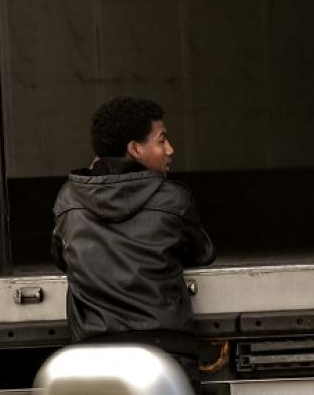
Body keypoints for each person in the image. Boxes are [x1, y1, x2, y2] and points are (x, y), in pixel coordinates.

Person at [51, 96, 215, 390]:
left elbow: (61, 258)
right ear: (135, 149)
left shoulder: (68, 198)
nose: (170, 149)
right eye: (162, 140)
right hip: (167, 355)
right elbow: (202, 253)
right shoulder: (173, 198)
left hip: (92, 357)